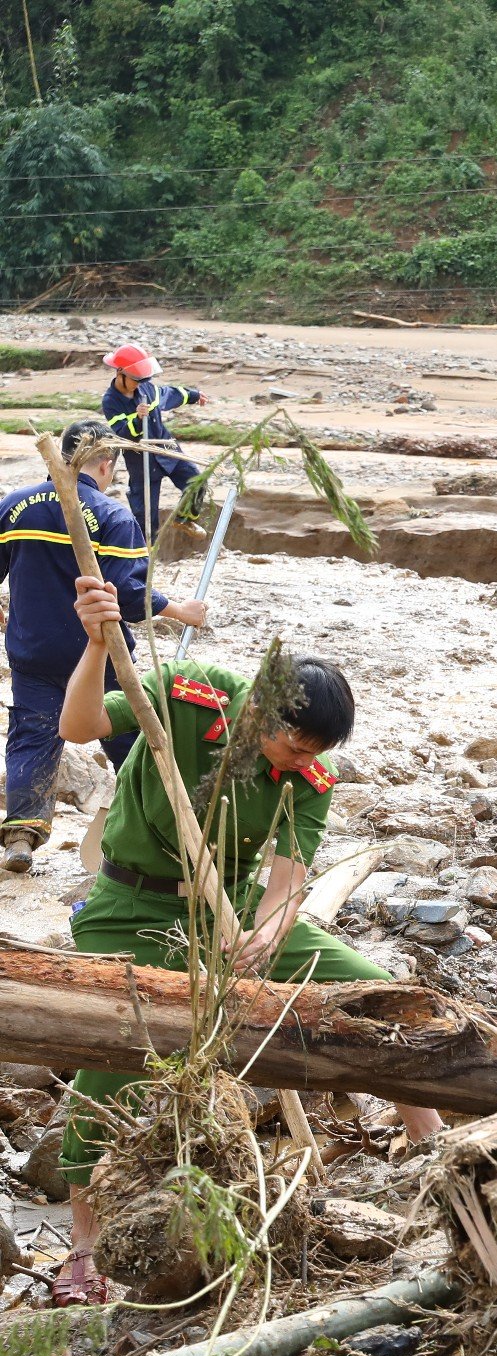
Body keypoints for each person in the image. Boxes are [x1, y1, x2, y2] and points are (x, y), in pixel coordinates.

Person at [47, 573, 443, 1304]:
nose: (298, 760)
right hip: (132, 908)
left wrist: (265, 933)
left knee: (381, 995)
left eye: (312, 750)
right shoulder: (190, 694)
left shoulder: (308, 777)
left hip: (228, 914)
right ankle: (84, 1242)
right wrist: (99, 643)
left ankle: (438, 1149)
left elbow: (288, 880)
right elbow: (75, 727)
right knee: (109, 1046)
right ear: (262, 704)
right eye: (294, 741)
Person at [1, 419, 207, 873]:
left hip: (32, 650)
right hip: (96, 653)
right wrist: (178, 609)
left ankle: (21, 834)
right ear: (106, 461)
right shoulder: (114, 517)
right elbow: (128, 595)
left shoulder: (14, 507)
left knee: (33, 735)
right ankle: (161, 828)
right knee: (129, 737)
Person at [100, 343, 206, 546]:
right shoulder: (111, 401)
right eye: (136, 380)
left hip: (167, 450)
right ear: (120, 373)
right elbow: (123, 434)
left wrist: (193, 395)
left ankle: (185, 520)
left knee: (197, 481)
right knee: (146, 520)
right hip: (142, 463)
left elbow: (170, 394)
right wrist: (138, 419)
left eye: (143, 380)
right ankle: (145, 560)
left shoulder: (147, 388)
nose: (140, 385)